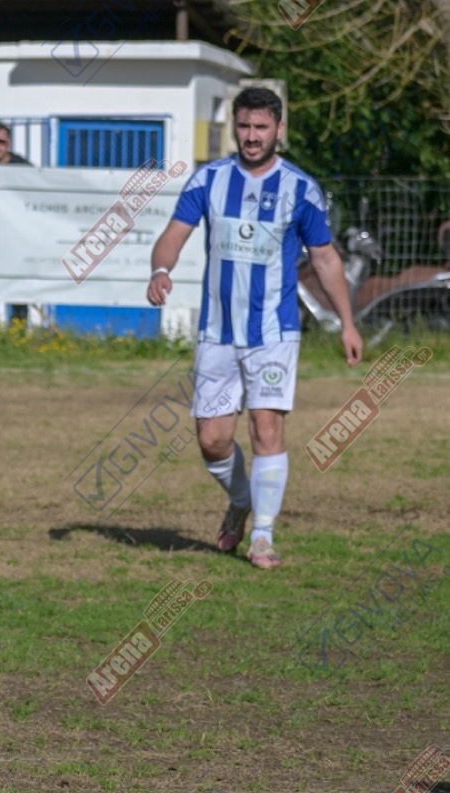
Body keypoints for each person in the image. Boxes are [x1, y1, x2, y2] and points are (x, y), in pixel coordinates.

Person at [147, 86, 363, 570]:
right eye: (244, 126)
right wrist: (160, 270)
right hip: (217, 332)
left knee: (267, 427)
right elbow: (173, 236)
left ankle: (263, 535)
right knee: (212, 440)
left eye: (261, 127)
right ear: (235, 127)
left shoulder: (300, 188)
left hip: (275, 332)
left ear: (279, 130)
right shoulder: (209, 179)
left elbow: (326, 259)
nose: (251, 136)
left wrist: (347, 323)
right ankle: (241, 500)